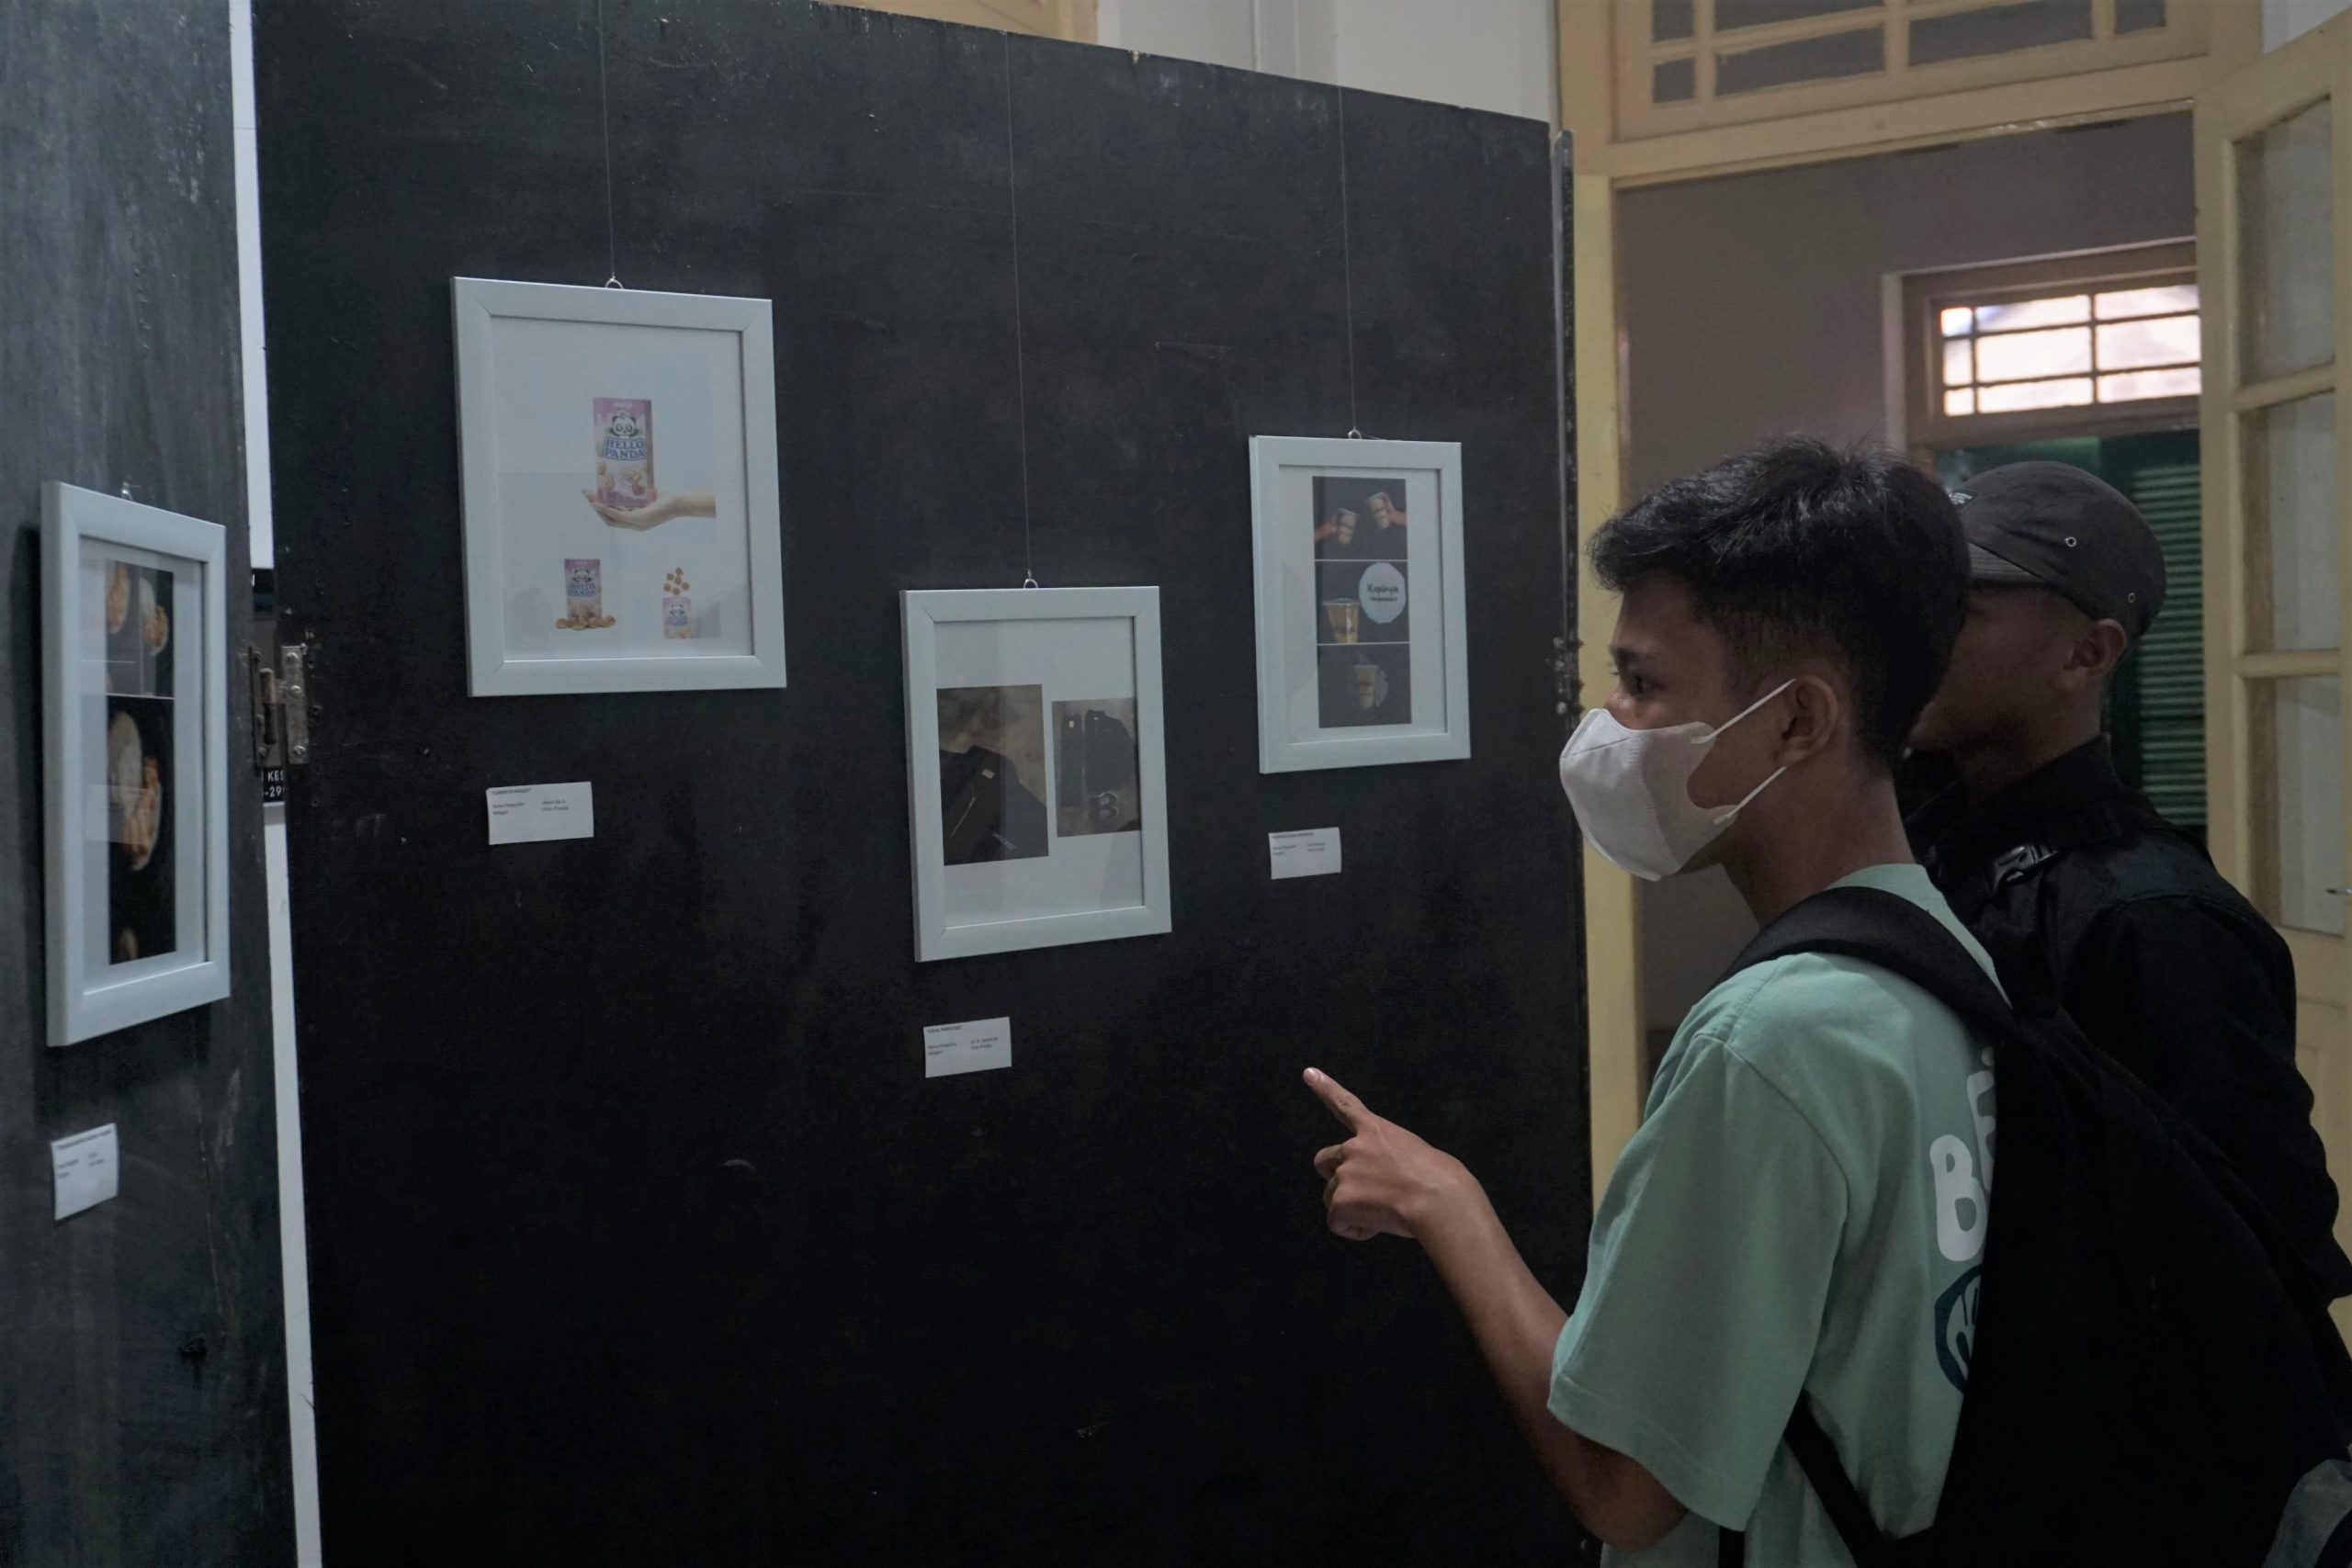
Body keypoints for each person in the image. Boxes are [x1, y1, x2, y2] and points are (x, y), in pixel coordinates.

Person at [1306, 437, 1991, 1563]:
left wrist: (1444, 1203)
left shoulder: (1767, 1044)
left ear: (1797, 721)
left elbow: (1626, 1487)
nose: (1608, 723)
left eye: (1644, 684)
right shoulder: (1943, 953)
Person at [1905, 461, 2352, 1303]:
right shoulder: (1921, 842)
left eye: (1962, 611)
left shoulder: (2153, 918)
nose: (1917, 638)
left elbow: (2265, 1252)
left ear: (2086, 654)